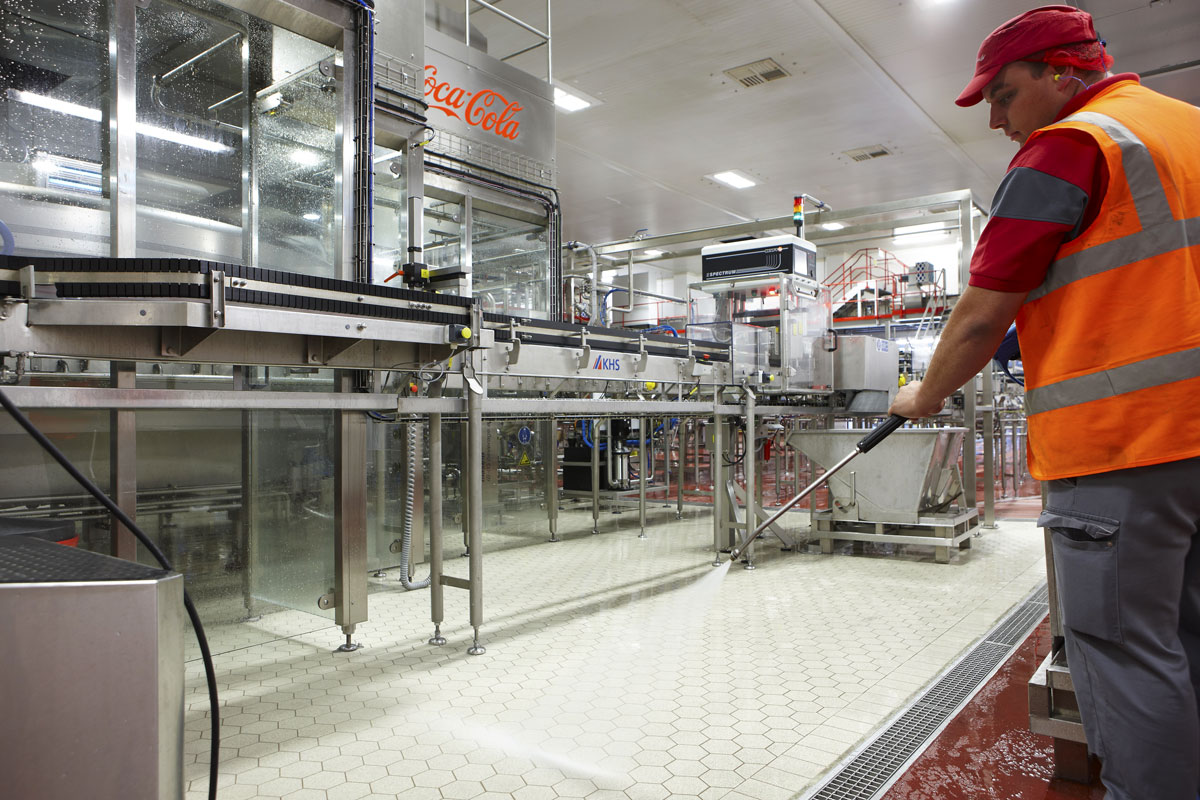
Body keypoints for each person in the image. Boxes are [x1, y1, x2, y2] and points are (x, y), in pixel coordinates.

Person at [888, 5, 1200, 799]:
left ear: (1062, 71)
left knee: (1125, 651)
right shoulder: (1183, 126)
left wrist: (923, 394)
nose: (996, 119)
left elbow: (984, 311)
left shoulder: (1070, 146)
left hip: (1124, 445)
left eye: (1002, 94)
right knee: (1185, 637)